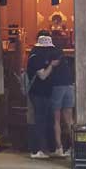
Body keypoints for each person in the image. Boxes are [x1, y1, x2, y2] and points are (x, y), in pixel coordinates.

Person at [26, 30, 58, 159]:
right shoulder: (36, 56)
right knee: (39, 120)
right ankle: (36, 149)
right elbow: (43, 76)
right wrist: (51, 65)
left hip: (45, 92)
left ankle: (48, 148)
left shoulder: (38, 54)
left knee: (47, 119)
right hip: (38, 92)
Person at [49, 47, 75, 157]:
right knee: (69, 120)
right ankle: (75, 147)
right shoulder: (68, 61)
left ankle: (59, 148)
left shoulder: (51, 58)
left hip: (57, 87)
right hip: (69, 86)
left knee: (56, 119)